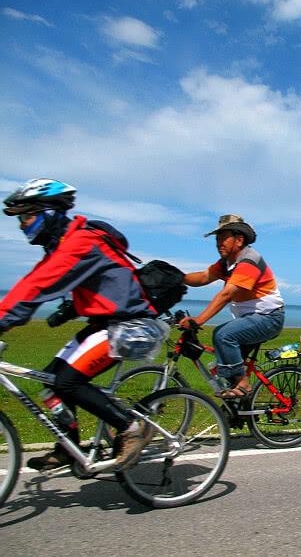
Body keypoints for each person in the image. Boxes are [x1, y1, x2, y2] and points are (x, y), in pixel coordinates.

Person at [0, 179, 156, 472]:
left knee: (67, 382)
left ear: (50, 212)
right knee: (49, 383)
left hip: (127, 327)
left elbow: (36, 286)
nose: (22, 225)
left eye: (27, 216)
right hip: (103, 325)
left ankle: (132, 428)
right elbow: (37, 282)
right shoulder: (63, 246)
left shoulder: (81, 242)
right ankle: (69, 447)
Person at [180, 214, 284, 398]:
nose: (219, 243)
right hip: (250, 319)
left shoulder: (248, 261)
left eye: (223, 237)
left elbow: (227, 294)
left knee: (224, 335)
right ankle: (237, 410)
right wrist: (177, 277)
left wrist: (198, 320)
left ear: (239, 240)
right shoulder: (226, 263)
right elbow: (204, 277)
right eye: (217, 239)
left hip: (269, 318)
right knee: (226, 365)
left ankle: (243, 385)